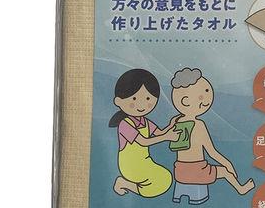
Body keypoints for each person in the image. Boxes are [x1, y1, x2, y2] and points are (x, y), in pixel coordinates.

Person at [170, 68, 255, 195]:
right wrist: (228, 164)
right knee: (225, 172)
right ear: (185, 101)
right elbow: (212, 152)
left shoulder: (175, 121)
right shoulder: (198, 125)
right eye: (202, 95)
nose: (207, 99)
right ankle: (240, 189)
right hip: (198, 171)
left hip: (179, 171)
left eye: (207, 91)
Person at [109, 69, 179, 197]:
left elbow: (159, 132)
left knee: (166, 178)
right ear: (118, 101)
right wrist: (167, 137)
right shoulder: (125, 124)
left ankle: (129, 184)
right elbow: (143, 141)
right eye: (134, 98)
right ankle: (123, 183)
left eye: (147, 98)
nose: (141, 104)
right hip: (130, 165)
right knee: (157, 184)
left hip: (146, 161)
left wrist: (171, 125)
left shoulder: (145, 121)